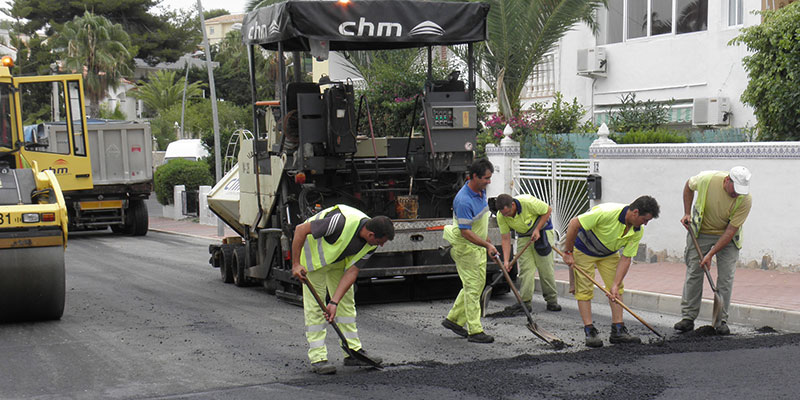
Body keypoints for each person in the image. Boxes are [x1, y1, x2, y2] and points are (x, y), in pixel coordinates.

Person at [291, 204, 395, 374]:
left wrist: (334, 302)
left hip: (338, 260)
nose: (380, 246)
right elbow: (300, 229)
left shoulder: (371, 244)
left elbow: (352, 271)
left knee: (346, 303)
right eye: (380, 242)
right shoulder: (340, 222)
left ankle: (352, 352)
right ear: (371, 235)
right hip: (313, 260)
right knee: (315, 308)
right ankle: (318, 358)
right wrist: (296, 264)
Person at [560, 195, 660, 348]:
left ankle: (618, 330)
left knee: (617, 289)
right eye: (645, 219)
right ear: (635, 213)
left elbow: (626, 258)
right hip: (584, 250)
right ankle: (590, 331)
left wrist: (615, 284)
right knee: (584, 290)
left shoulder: (637, 231)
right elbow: (574, 223)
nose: (645, 224)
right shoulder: (606, 213)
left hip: (608, 254)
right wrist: (568, 252)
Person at [674, 167, 752, 335]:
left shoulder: (745, 199)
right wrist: (687, 213)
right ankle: (688, 318)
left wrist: (710, 255)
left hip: (727, 237)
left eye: (740, 191)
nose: (737, 194)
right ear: (727, 180)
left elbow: (730, 232)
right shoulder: (706, 179)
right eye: (735, 190)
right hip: (700, 232)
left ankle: (720, 321)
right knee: (694, 272)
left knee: (726, 278)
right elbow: (688, 186)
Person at [441, 158, 498, 344]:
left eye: (489, 177)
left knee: (475, 285)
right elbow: (466, 232)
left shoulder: (480, 191)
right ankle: (475, 330)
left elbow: (479, 224)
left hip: (477, 247)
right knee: (473, 288)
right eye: (486, 178)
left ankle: (453, 320)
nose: (489, 181)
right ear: (474, 176)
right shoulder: (464, 200)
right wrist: (487, 245)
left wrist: (487, 241)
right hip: (466, 249)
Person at [495, 193, 561, 314]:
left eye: (508, 213)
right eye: (504, 214)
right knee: (526, 269)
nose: (506, 216)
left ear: (513, 205)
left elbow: (548, 210)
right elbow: (505, 238)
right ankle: (525, 303)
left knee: (545, 268)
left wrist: (537, 229)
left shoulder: (527, 202)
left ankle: (552, 301)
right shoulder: (501, 216)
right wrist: (506, 261)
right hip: (524, 236)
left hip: (542, 232)